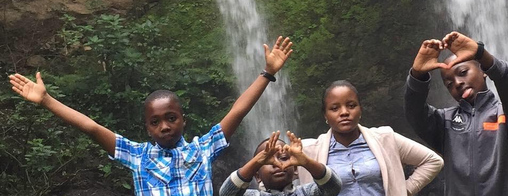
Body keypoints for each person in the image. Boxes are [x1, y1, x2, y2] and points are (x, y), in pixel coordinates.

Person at [8, 36, 294, 196]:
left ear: (184, 120)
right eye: (155, 122)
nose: (165, 126)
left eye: (171, 118)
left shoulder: (202, 148)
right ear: (147, 128)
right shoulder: (137, 156)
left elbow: (238, 111)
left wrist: (267, 73)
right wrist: (46, 100)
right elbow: (91, 127)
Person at [404, 31, 508, 196]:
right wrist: (417, 76)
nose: (457, 83)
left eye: (463, 72)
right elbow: (414, 112)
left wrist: (483, 55)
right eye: (449, 84)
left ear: (482, 71)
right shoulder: (444, 122)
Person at [298, 80, 443, 196]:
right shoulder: (307, 150)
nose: (344, 112)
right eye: (334, 108)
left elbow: (433, 161)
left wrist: (402, 191)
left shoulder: (385, 138)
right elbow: (277, 177)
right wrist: (273, 72)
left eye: (351, 105)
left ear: (360, 110)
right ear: (325, 115)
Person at [220, 130, 341, 196]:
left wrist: (306, 162)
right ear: (257, 176)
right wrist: (256, 161)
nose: (276, 163)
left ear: (295, 170)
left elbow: (333, 187)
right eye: (267, 161)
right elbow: (226, 193)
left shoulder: (307, 192)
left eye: (283, 158)